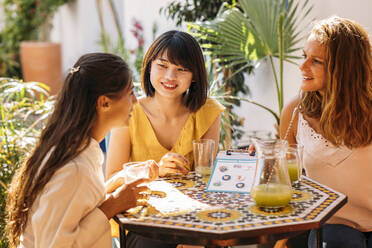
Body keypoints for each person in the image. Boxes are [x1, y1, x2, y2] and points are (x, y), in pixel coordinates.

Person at [5, 53, 158, 248]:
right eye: (130, 93)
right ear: (104, 103)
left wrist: (115, 183)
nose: (135, 102)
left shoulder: (75, 149)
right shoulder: (74, 168)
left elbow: (77, 207)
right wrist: (112, 205)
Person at [106, 30, 225, 247]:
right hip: (145, 222)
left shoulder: (208, 112)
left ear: (195, 76)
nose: (170, 76)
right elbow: (111, 180)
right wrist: (154, 171)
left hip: (197, 218)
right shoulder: (128, 112)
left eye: (181, 69)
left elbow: (210, 178)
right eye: (162, 65)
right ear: (149, 66)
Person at [280, 16, 372, 248]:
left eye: (316, 61)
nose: (302, 66)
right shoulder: (294, 112)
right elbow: (286, 181)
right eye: (304, 56)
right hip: (331, 226)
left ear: (344, 68)